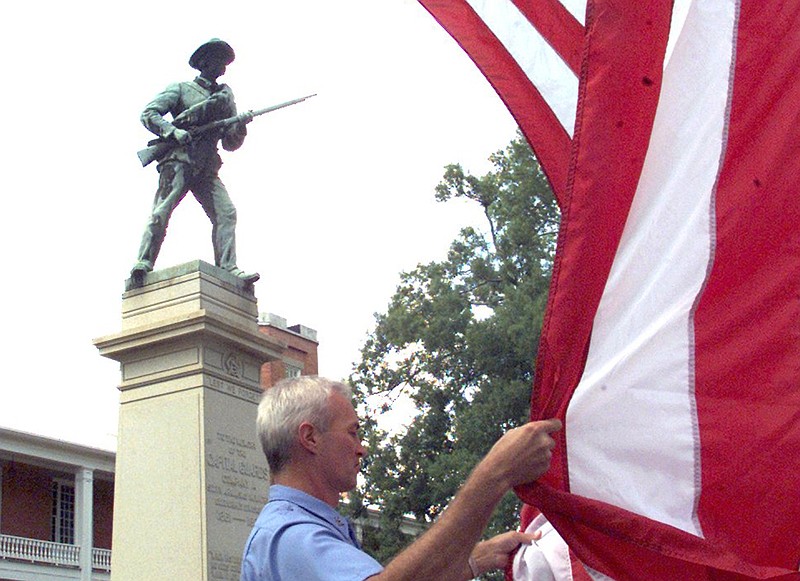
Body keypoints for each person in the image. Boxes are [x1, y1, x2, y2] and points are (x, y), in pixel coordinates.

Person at [241, 376, 562, 581]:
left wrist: (472, 560)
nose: (361, 449)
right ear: (310, 438)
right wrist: (495, 474)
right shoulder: (291, 538)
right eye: (352, 432)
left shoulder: (291, 533)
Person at [130, 38, 259, 285]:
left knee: (226, 213)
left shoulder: (224, 98)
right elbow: (149, 114)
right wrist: (172, 132)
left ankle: (228, 268)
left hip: (207, 165)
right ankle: (143, 263)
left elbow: (230, 143)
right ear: (204, 62)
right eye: (219, 61)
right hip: (179, 158)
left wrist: (240, 126)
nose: (223, 68)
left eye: (225, 63)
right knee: (162, 211)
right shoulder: (180, 89)